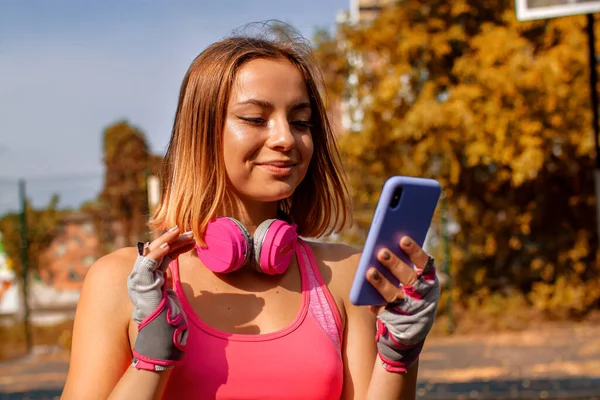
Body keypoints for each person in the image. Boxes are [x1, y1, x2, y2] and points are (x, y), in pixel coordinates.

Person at [61, 22, 440, 400]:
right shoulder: (122, 283)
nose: (285, 138)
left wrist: (400, 355)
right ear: (202, 132)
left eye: (301, 121)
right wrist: (151, 361)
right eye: (256, 119)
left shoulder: (347, 276)